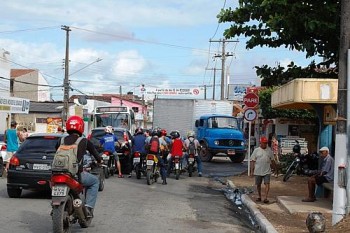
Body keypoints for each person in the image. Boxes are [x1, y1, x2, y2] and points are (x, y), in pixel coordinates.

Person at [56, 115, 102, 217]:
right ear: (81, 127)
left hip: (58, 173)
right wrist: (100, 161)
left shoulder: (61, 140)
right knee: (94, 181)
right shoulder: (84, 141)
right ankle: (89, 208)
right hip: (75, 175)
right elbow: (96, 155)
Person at [250, 136, 276, 204]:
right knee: (258, 184)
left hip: (267, 170)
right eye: (264, 143)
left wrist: (275, 169)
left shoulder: (269, 150)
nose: (265, 144)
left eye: (266, 143)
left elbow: (272, 160)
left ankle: (266, 198)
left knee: (267, 183)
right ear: (260, 143)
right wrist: (252, 171)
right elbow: (252, 160)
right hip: (258, 171)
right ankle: (259, 196)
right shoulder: (256, 150)